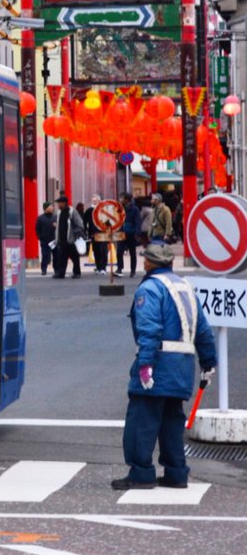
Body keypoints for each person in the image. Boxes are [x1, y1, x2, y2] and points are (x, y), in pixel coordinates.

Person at [113, 243, 217, 490]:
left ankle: (141, 473)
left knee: (142, 420)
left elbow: (149, 329)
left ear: (149, 263)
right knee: (172, 422)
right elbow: (203, 330)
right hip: (182, 369)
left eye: (145, 260)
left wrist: (145, 365)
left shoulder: (149, 289)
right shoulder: (186, 287)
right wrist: (208, 363)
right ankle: (176, 473)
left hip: (158, 366)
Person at [52, 194, 85, 279]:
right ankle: (60, 273)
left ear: (65, 203)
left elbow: (80, 225)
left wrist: (73, 233)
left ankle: (77, 272)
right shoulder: (59, 212)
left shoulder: (72, 211)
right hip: (61, 239)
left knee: (75, 257)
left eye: (60, 203)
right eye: (58, 203)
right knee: (62, 258)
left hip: (71, 240)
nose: (59, 205)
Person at [115, 192, 141, 278]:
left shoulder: (135, 209)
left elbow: (138, 222)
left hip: (131, 233)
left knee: (132, 252)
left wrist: (137, 233)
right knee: (119, 251)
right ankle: (119, 268)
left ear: (127, 200)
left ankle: (133, 270)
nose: (120, 200)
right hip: (121, 232)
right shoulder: (119, 208)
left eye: (122, 198)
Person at [85, 195, 108, 274]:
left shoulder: (103, 209)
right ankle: (98, 267)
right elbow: (85, 221)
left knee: (103, 250)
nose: (94, 202)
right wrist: (87, 232)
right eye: (93, 201)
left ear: (99, 201)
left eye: (96, 200)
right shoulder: (89, 210)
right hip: (93, 233)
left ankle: (103, 268)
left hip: (103, 233)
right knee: (96, 250)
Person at [34, 201, 55, 276]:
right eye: (50, 207)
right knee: (45, 255)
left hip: (54, 240)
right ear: (46, 208)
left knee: (56, 255)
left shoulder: (55, 217)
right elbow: (37, 229)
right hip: (45, 241)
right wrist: (40, 237)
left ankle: (56, 269)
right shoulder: (40, 218)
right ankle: (43, 269)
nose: (52, 208)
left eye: (52, 207)